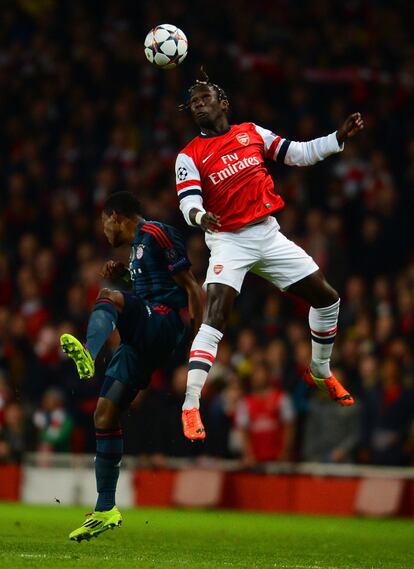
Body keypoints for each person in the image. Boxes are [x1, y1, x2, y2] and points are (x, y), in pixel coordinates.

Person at [175, 69, 364, 441]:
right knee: (215, 316)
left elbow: (297, 153)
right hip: (229, 239)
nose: (199, 105)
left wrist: (336, 138)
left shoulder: (251, 132)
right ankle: (191, 404)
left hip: (267, 233)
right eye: (193, 103)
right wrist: (200, 216)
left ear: (222, 102)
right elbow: (188, 203)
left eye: (205, 98)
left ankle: (320, 370)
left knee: (328, 300)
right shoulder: (189, 155)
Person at [60, 191, 203, 542]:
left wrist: (198, 345)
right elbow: (150, 291)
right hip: (142, 339)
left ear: (115, 217)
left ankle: (89, 354)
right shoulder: (137, 251)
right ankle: (106, 508)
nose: (104, 233)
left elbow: (190, 287)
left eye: (104, 224)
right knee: (104, 415)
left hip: (165, 325)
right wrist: (125, 277)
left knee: (107, 296)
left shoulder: (156, 233)